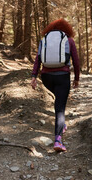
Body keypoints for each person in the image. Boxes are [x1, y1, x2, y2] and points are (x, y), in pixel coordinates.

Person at [31, 18, 80, 152]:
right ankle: (58, 140)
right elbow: (75, 61)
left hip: (46, 77)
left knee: (58, 101)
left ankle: (61, 124)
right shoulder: (69, 40)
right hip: (62, 77)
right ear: (67, 29)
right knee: (60, 108)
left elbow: (38, 59)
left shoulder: (44, 39)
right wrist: (76, 78)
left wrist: (34, 76)